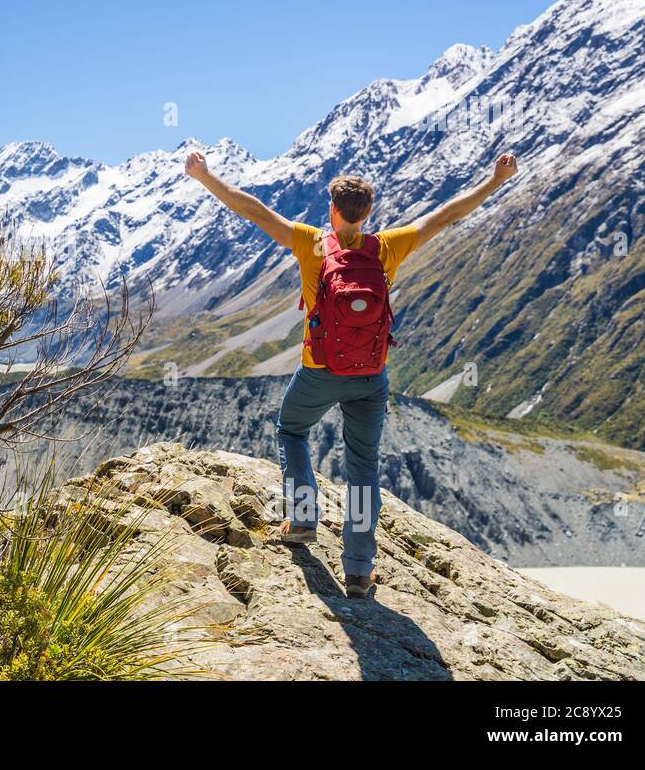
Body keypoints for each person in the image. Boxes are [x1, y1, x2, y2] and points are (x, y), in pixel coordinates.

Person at [184, 151, 519, 596]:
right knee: (363, 466)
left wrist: (205, 176)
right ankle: (359, 570)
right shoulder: (387, 246)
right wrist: (496, 180)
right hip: (371, 376)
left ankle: (302, 519)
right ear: (369, 213)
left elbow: (252, 209)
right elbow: (447, 215)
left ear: (332, 211)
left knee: (292, 430)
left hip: (319, 370)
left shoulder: (311, 242)